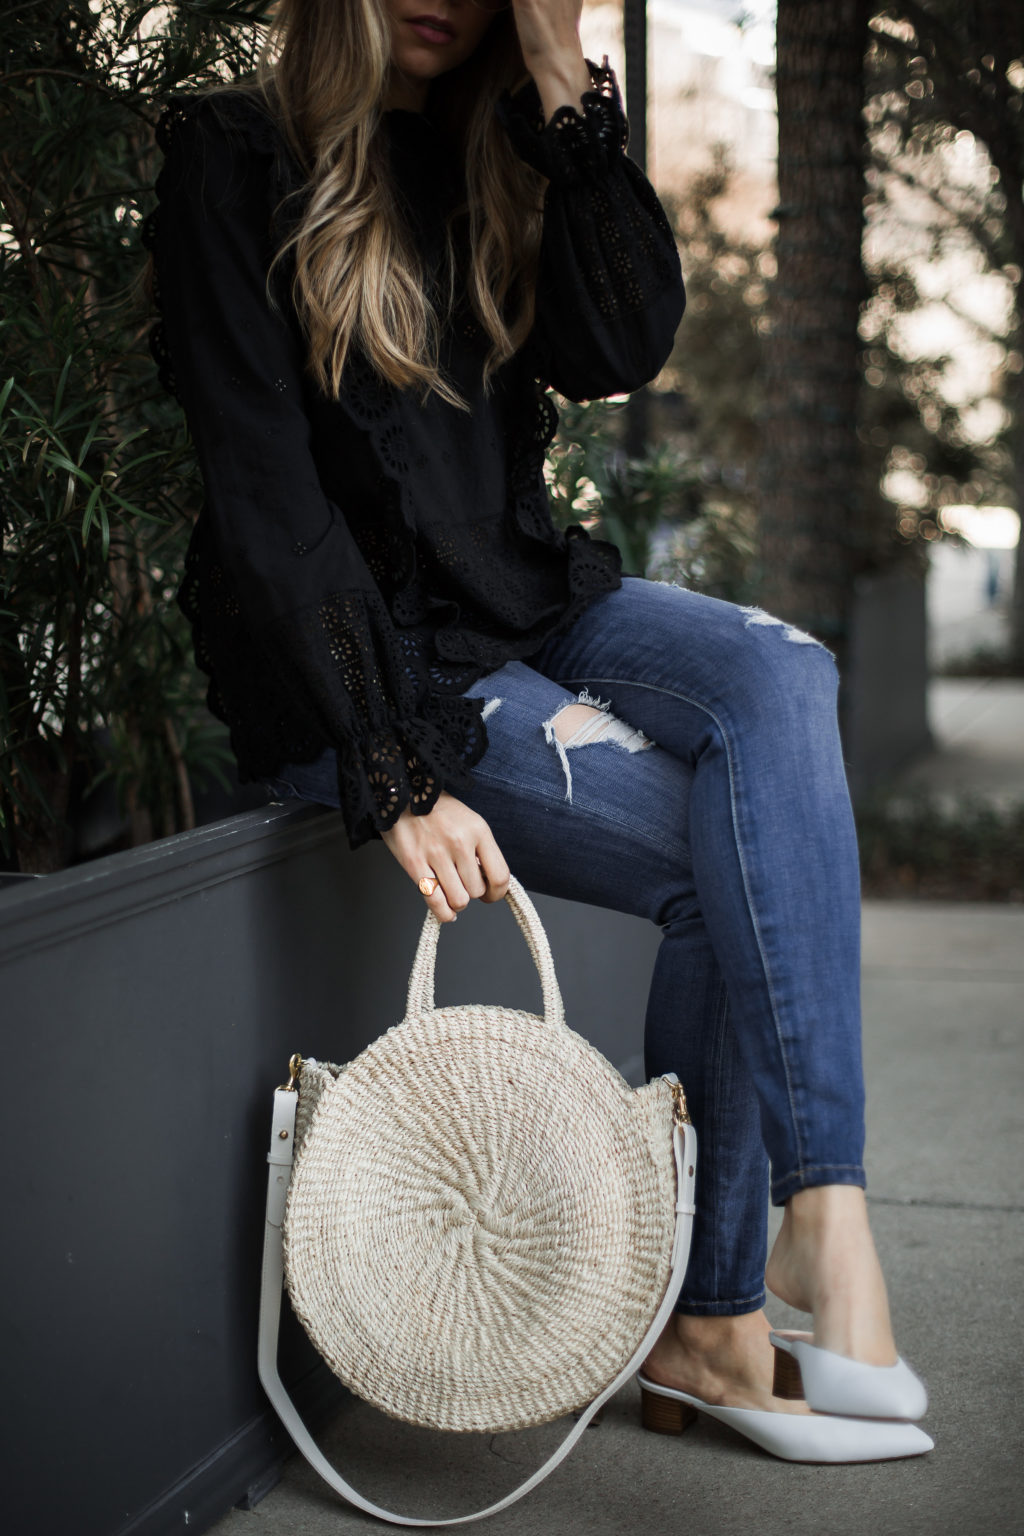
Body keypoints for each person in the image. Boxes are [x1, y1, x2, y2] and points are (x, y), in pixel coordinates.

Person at [144, 0, 932, 1464]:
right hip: (365, 666)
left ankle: (829, 1204)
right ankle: (714, 1323)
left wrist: (567, 93)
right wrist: (394, 771)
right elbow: (264, 500)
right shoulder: (234, 154)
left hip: (524, 603)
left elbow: (624, 344)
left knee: (782, 674)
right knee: (720, 872)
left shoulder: (501, 143)